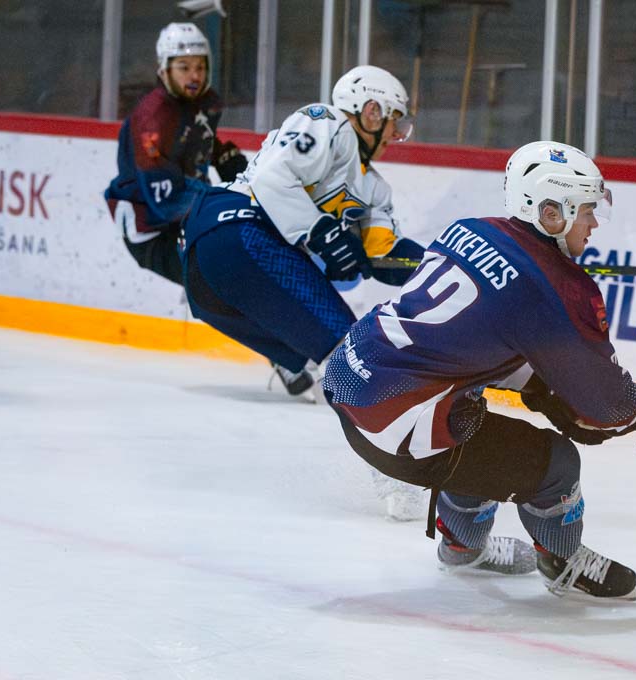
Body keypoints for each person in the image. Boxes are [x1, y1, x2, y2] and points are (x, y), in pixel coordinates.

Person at [323, 141, 636, 600]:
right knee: (557, 465)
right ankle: (562, 563)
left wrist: (539, 388)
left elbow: (462, 338)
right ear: (552, 213)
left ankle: (462, 548)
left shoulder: (467, 230)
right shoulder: (555, 289)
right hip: (396, 429)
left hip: (347, 383)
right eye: (587, 211)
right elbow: (607, 405)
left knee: (474, 426)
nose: (594, 223)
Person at [179, 64, 428, 520]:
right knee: (352, 356)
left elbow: (384, 255)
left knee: (334, 360)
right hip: (235, 231)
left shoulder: (375, 190)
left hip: (212, 278)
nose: (397, 134)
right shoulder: (325, 124)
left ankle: (386, 459)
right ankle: (396, 472)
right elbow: (273, 178)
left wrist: (436, 267)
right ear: (371, 111)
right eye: (395, 120)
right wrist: (320, 232)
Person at [105, 22, 247, 286]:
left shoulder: (202, 102)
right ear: (164, 69)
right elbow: (166, 200)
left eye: (200, 67)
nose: (194, 75)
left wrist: (225, 158)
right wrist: (227, 200)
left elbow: (193, 143)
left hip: (185, 216)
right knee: (223, 277)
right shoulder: (152, 118)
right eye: (184, 67)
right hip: (151, 230)